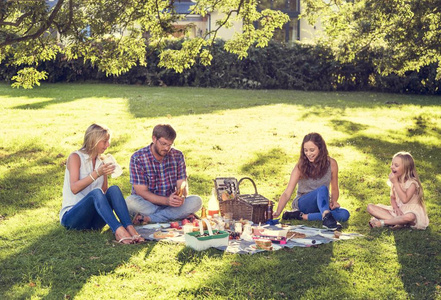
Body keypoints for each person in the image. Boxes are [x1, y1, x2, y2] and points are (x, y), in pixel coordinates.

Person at [60, 124, 145, 244]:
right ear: (93, 140)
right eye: (104, 141)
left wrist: (105, 173)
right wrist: (97, 173)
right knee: (95, 193)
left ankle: (129, 228)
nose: (108, 145)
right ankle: (119, 231)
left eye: (108, 141)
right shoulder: (75, 157)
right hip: (73, 219)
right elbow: (74, 188)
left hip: (93, 222)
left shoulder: (102, 160)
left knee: (114, 189)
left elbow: (104, 191)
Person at [126, 124, 202, 224]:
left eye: (170, 145)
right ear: (154, 139)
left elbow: (182, 184)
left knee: (196, 201)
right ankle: (173, 216)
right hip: (148, 204)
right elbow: (142, 192)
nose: (166, 148)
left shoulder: (177, 155)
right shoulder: (137, 158)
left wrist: (181, 197)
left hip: (171, 204)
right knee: (130, 201)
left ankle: (150, 218)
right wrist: (166, 201)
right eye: (163, 144)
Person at [273, 132, 350, 230]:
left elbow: (334, 188)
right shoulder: (300, 166)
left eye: (312, 150)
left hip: (322, 203)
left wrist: (333, 201)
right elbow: (287, 193)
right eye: (305, 150)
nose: (308, 154)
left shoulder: (332, 164)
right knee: (322, 189)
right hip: (304, 202)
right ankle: (326, 215)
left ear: (320, 149)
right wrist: (278, 212)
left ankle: (301, 216)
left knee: (344, 214)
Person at [367, 152, 429, 229]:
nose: (392, 167)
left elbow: (405, 200)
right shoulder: (395, 181)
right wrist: (396, 208)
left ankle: (383, 222)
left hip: (411, 212)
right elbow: (392, 197)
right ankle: (399, 223)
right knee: (370, 207)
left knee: (409, 217)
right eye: (392, 164)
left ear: (406, 168)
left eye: (396, 165)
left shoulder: (412, 183)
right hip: (398, 211)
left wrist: (395, 182)